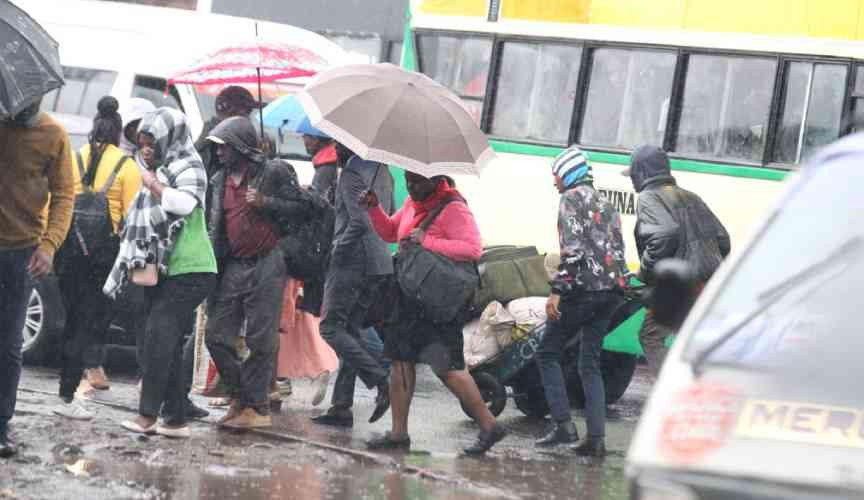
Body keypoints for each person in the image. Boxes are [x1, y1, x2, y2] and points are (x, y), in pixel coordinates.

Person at [362, 171, 508, 455]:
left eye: (417, 182)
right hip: (410, 299)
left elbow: (472, 248)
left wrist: (428, 240)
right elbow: (392, 232)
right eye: (408, 181)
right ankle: (398, 434)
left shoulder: (454, 208)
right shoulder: (412, 204)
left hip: (438, 303)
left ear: (436, 180)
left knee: (448, 369)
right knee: (400, 361)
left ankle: (490, 425)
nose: (411, 187)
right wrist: (373, 208)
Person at [111, 107, 217, 438]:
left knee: (158, 336)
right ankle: (175, 419)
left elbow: (183, 204)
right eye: (142, 143)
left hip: (192, 268)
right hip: (167, 269)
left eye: (151, 143)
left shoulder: (188, 165)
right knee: (161, 341)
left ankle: (147, 417)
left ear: (168, 139)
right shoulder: (164, 167)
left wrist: (154, 184)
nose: (146, 150)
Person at [205, 116, 308, 429]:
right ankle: (241, 395)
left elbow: (304, 209)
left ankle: (257, 408)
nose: (219, 152)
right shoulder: (218, 180)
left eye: (224, 146)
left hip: (268, 262)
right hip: (233, 264)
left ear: (241, 146)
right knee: (216, 336)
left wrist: (267, 202)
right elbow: (215, 228)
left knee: (261, 341)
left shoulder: (274, 171)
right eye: (216, 147)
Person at [535, 146, 628, 457]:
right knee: (589, 362)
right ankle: (596, 439)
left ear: (569, 174)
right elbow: (616, 251)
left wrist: (556, 292)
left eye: (556, 175)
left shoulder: (570, 200)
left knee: (547, 352)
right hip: (612, 292)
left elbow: (572, 252)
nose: (554, 182)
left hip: (585, 291)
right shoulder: (607, 203)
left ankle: (563, 425)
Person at [51, 97, 140, 418]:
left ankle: (68, 383)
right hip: (104, 257)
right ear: (118, 131)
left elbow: (55, 202)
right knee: (94, 316)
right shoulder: (126, 166)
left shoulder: (74, 158)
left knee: (73, 316)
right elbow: (132, 216)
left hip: (69, 252)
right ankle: (84, 372)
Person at [0, 99, 74, 457]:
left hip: (21, 252)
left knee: (8, 341)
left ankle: (0, 424)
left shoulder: (53, 135)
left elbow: (64, 195)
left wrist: (49, 246)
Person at [627, 145, 730, 378]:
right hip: (707, 281)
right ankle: (698, 386)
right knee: (691, 336)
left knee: (651, 336)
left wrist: (645, 275)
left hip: (681, 284)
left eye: (632, 174)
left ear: (641, 172)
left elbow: (664, 234)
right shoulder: (691, 196)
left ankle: (670, 390)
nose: (631, 181)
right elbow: (723, 239)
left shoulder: (648, 197)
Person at [312, 144, 392, 428]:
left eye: (338, 144)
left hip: (352, 262)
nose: (335, 149)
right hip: (378, 262)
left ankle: (382, 380)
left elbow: (360, 223)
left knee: (331, 328)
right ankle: (341, 406)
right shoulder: (384, 173)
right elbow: (385, 217)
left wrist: (335, 249)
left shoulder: (351, 174)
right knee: (349, 330)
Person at [276, 279, 338, 406]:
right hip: (312, 292)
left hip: (293, 290)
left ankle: (280, 386)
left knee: (285, 342)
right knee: (311, 335)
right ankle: (321, 368)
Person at [195, 86, 260, 178]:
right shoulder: (211, 142)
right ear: (231, 112)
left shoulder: (238, 135)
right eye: (245, 113)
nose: (248, 119)